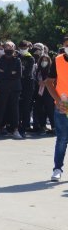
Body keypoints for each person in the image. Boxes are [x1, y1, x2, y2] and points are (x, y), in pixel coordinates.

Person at [44, 36, 68, 181]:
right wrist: (58, 100)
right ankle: (57, 168)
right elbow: (48, 83)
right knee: (62, 139)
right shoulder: (58, 60)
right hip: (62, 104)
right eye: (66, 45)